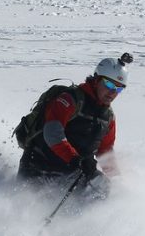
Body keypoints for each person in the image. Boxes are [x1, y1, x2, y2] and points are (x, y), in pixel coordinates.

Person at [16, 53, 132, 191]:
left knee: (104, 188)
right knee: (27, 207)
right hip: (38, 166)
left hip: (70, 174)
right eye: (109, 84)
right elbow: (52, 133)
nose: (113, 92)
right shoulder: (70, 100)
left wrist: (117, 182)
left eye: (119, 88)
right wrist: (76, 160)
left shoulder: (108, 118)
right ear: (96, 79)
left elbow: (105, 151)